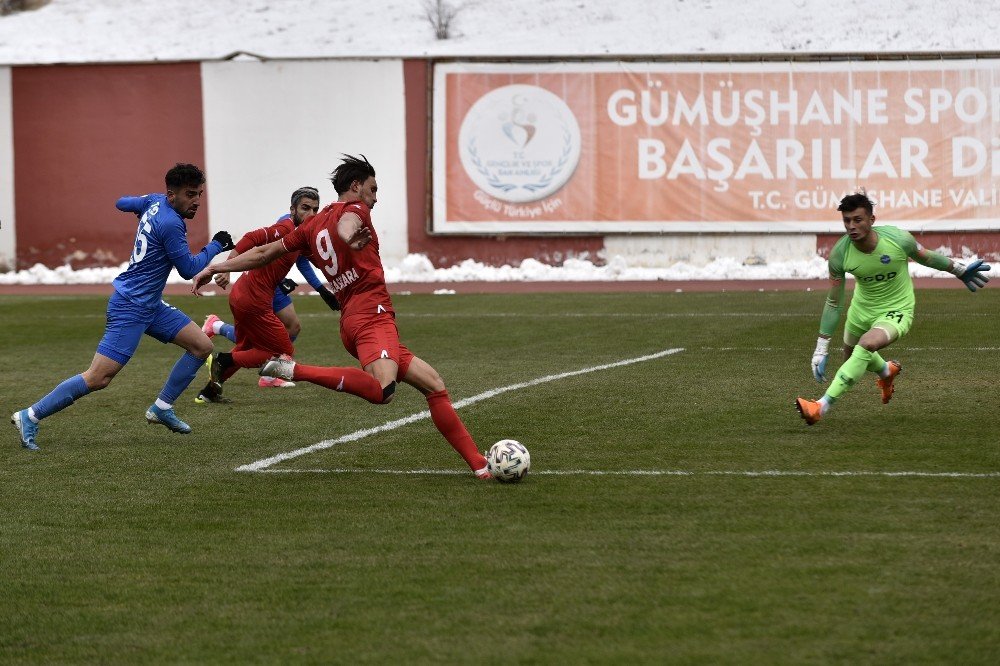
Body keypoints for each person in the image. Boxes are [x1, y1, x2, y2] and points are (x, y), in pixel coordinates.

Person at [191, 154, 493, 479]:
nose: (375, 198)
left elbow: (265, 251)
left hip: (352, 320)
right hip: (371, 316)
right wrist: (349, 237)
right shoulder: (354, 211)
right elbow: (347, 224)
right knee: (383, 391)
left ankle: (479, 465)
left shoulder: (310, 226)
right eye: (373, 189)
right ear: (355, 186)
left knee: (433, 385)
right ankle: (294, 369)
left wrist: (216, 266)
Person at [10, 163, 235, 449]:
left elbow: (121, 202)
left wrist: (141, 206)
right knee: (98, 377)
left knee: (202, 346)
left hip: (149, 303)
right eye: (190, 194)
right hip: (130, 306)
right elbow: (189, 269)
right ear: (172, 194)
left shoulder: (155, 201)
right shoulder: (171, 223)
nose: (197, 202)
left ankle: (161, 408)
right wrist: (216, 246)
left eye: (200, 194)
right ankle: (30, 415)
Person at [796, 191, 990, 425]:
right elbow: (834, 302)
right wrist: (821, 347)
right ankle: (886, 372)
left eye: (857, 219)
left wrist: (958, 270)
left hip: (896, 310)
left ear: (872, 220)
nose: (851, 226)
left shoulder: (898, 239)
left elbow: (926, 257)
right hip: (860, 311)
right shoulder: (839, 254)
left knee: (866, 344)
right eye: (846, 220)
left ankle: (820, 406)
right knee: (852, 359)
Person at [194, 186, 341, 403]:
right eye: (305, 208)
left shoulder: (304, 234)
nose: (310, 214)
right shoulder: (284, 228)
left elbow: (315, 260)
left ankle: (208, 393)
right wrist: (224, 266)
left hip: (244, 296)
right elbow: (252, 238)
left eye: (315, 210)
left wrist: (330, 285)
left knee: (245, 348)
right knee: (281, 350)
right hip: (253, 300)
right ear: (292, 209)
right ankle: (223, 360)